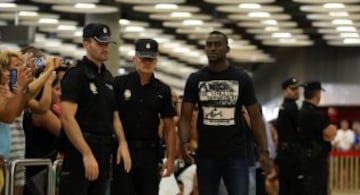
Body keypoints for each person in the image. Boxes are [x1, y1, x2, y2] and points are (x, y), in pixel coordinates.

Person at [178, 31, 272, 195]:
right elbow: (185, 117)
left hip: (235, 154)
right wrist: (184, 143)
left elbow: (256, 117)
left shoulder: (241, 78)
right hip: (207, 155)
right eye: (209, 45)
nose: (212, 48)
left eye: (217, 44)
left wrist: (263, 151)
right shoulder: (195, 79)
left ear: (227, 49)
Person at [59, 23, 131, 195]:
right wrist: (86, 153)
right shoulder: (76, 75)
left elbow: (114, 116)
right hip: (80, 151)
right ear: (86, 44)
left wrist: (122, 142)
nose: (105, 48)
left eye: (107, 44)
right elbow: (67, 118)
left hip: (104, 151)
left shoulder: (108, 78)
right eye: (100, 43)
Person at [111, 38, 176, 195]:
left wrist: (171, 158)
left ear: (156, 60)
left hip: (150, 153)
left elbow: (170, 127)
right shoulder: (119, 84)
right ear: (134, 58)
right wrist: (120, 142)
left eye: (150, 59)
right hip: (124, 150)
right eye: (143, 58)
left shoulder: (163, 90)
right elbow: (113, 116)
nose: (146, 62)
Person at [298, 81, 337, 195]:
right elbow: (331, 133)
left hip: (309, 158)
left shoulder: (303, 110)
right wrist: (327, 133)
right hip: (316, 160)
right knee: (317, 190)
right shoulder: (312, 113)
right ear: (317, 94)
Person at [276, 77, 304, 195]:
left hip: (285, 154)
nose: (297, 91)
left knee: (285, 188)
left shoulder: (284, 107)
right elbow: (301, 129)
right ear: (285, 91)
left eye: (297, 88)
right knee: (294, 188)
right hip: (292, 156)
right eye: (293, 89)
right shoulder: (291, 107)